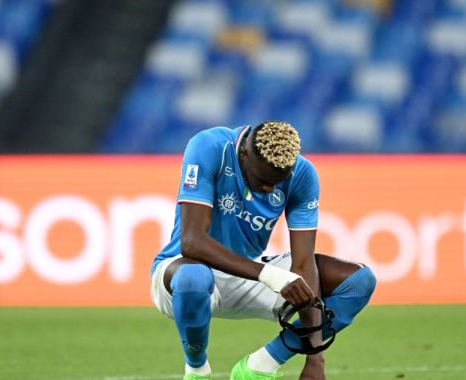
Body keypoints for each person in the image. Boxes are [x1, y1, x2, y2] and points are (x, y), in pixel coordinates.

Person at [150, 121, 377, 380]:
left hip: (248, 273)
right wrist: (269, 275)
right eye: (263, 181)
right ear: (244, 155)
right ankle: (197, 370)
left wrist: (315, 359)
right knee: (195, 277)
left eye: (278, 182)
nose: (270, 189)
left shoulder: (303, 174)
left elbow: (303, 264)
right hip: (185, 271)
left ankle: (260, 366)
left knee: (359, 281)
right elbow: (191, 242)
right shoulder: (210, 146)